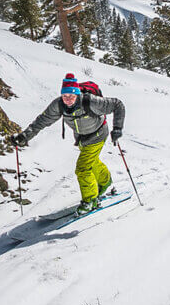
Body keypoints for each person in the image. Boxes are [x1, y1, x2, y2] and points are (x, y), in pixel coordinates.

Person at [9, 73, 125, 215]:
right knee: (91, 162)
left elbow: (117, 105)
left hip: (98, 134)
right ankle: (105, 181)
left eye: (71, 96)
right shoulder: (58, 105)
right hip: (82, 138)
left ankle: (90, 201)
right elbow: (42, 121)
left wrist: (118, 128)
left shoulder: (90, 101)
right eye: (65, 96)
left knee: (82, 168)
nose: (68, 99)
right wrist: (24, 136)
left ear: (77, 94)